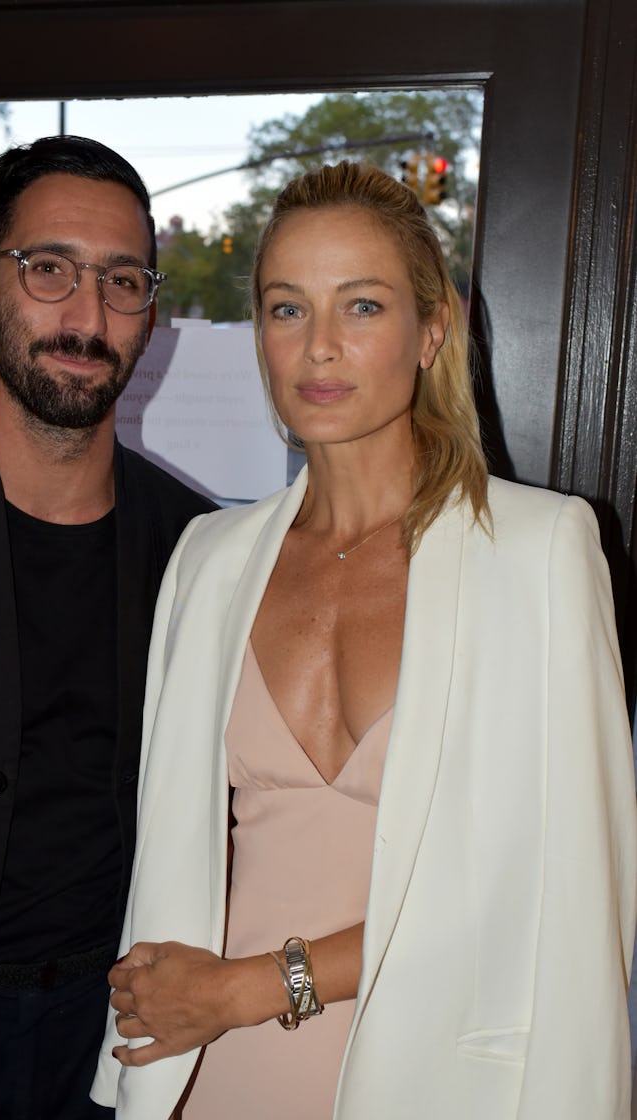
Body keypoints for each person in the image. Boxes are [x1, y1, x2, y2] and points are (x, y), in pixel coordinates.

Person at [92, 161, 637, 1119]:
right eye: (287, 308)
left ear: (433, 331)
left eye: (364, 306)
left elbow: (574, 894)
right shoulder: (209, 559)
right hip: (212, 1064)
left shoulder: (541, 551)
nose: (321, 349)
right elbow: (170, 852)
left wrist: (258, 986)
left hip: (442, 1072)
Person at [0, 135, 214, 1120]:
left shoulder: (198, 551)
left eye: (121, 281)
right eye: (49, 270)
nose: (87, 315)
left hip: (113, 1053)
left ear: (150, 318)